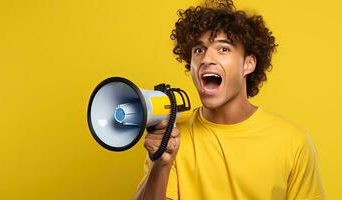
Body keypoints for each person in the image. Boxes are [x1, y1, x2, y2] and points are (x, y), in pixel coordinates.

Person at [134, 0, 326, 199]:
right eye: (199, 50)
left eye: (223, 49)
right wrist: (161, 164)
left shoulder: (293, 142)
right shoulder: (172, 136)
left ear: (248, 64)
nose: (206, 59)